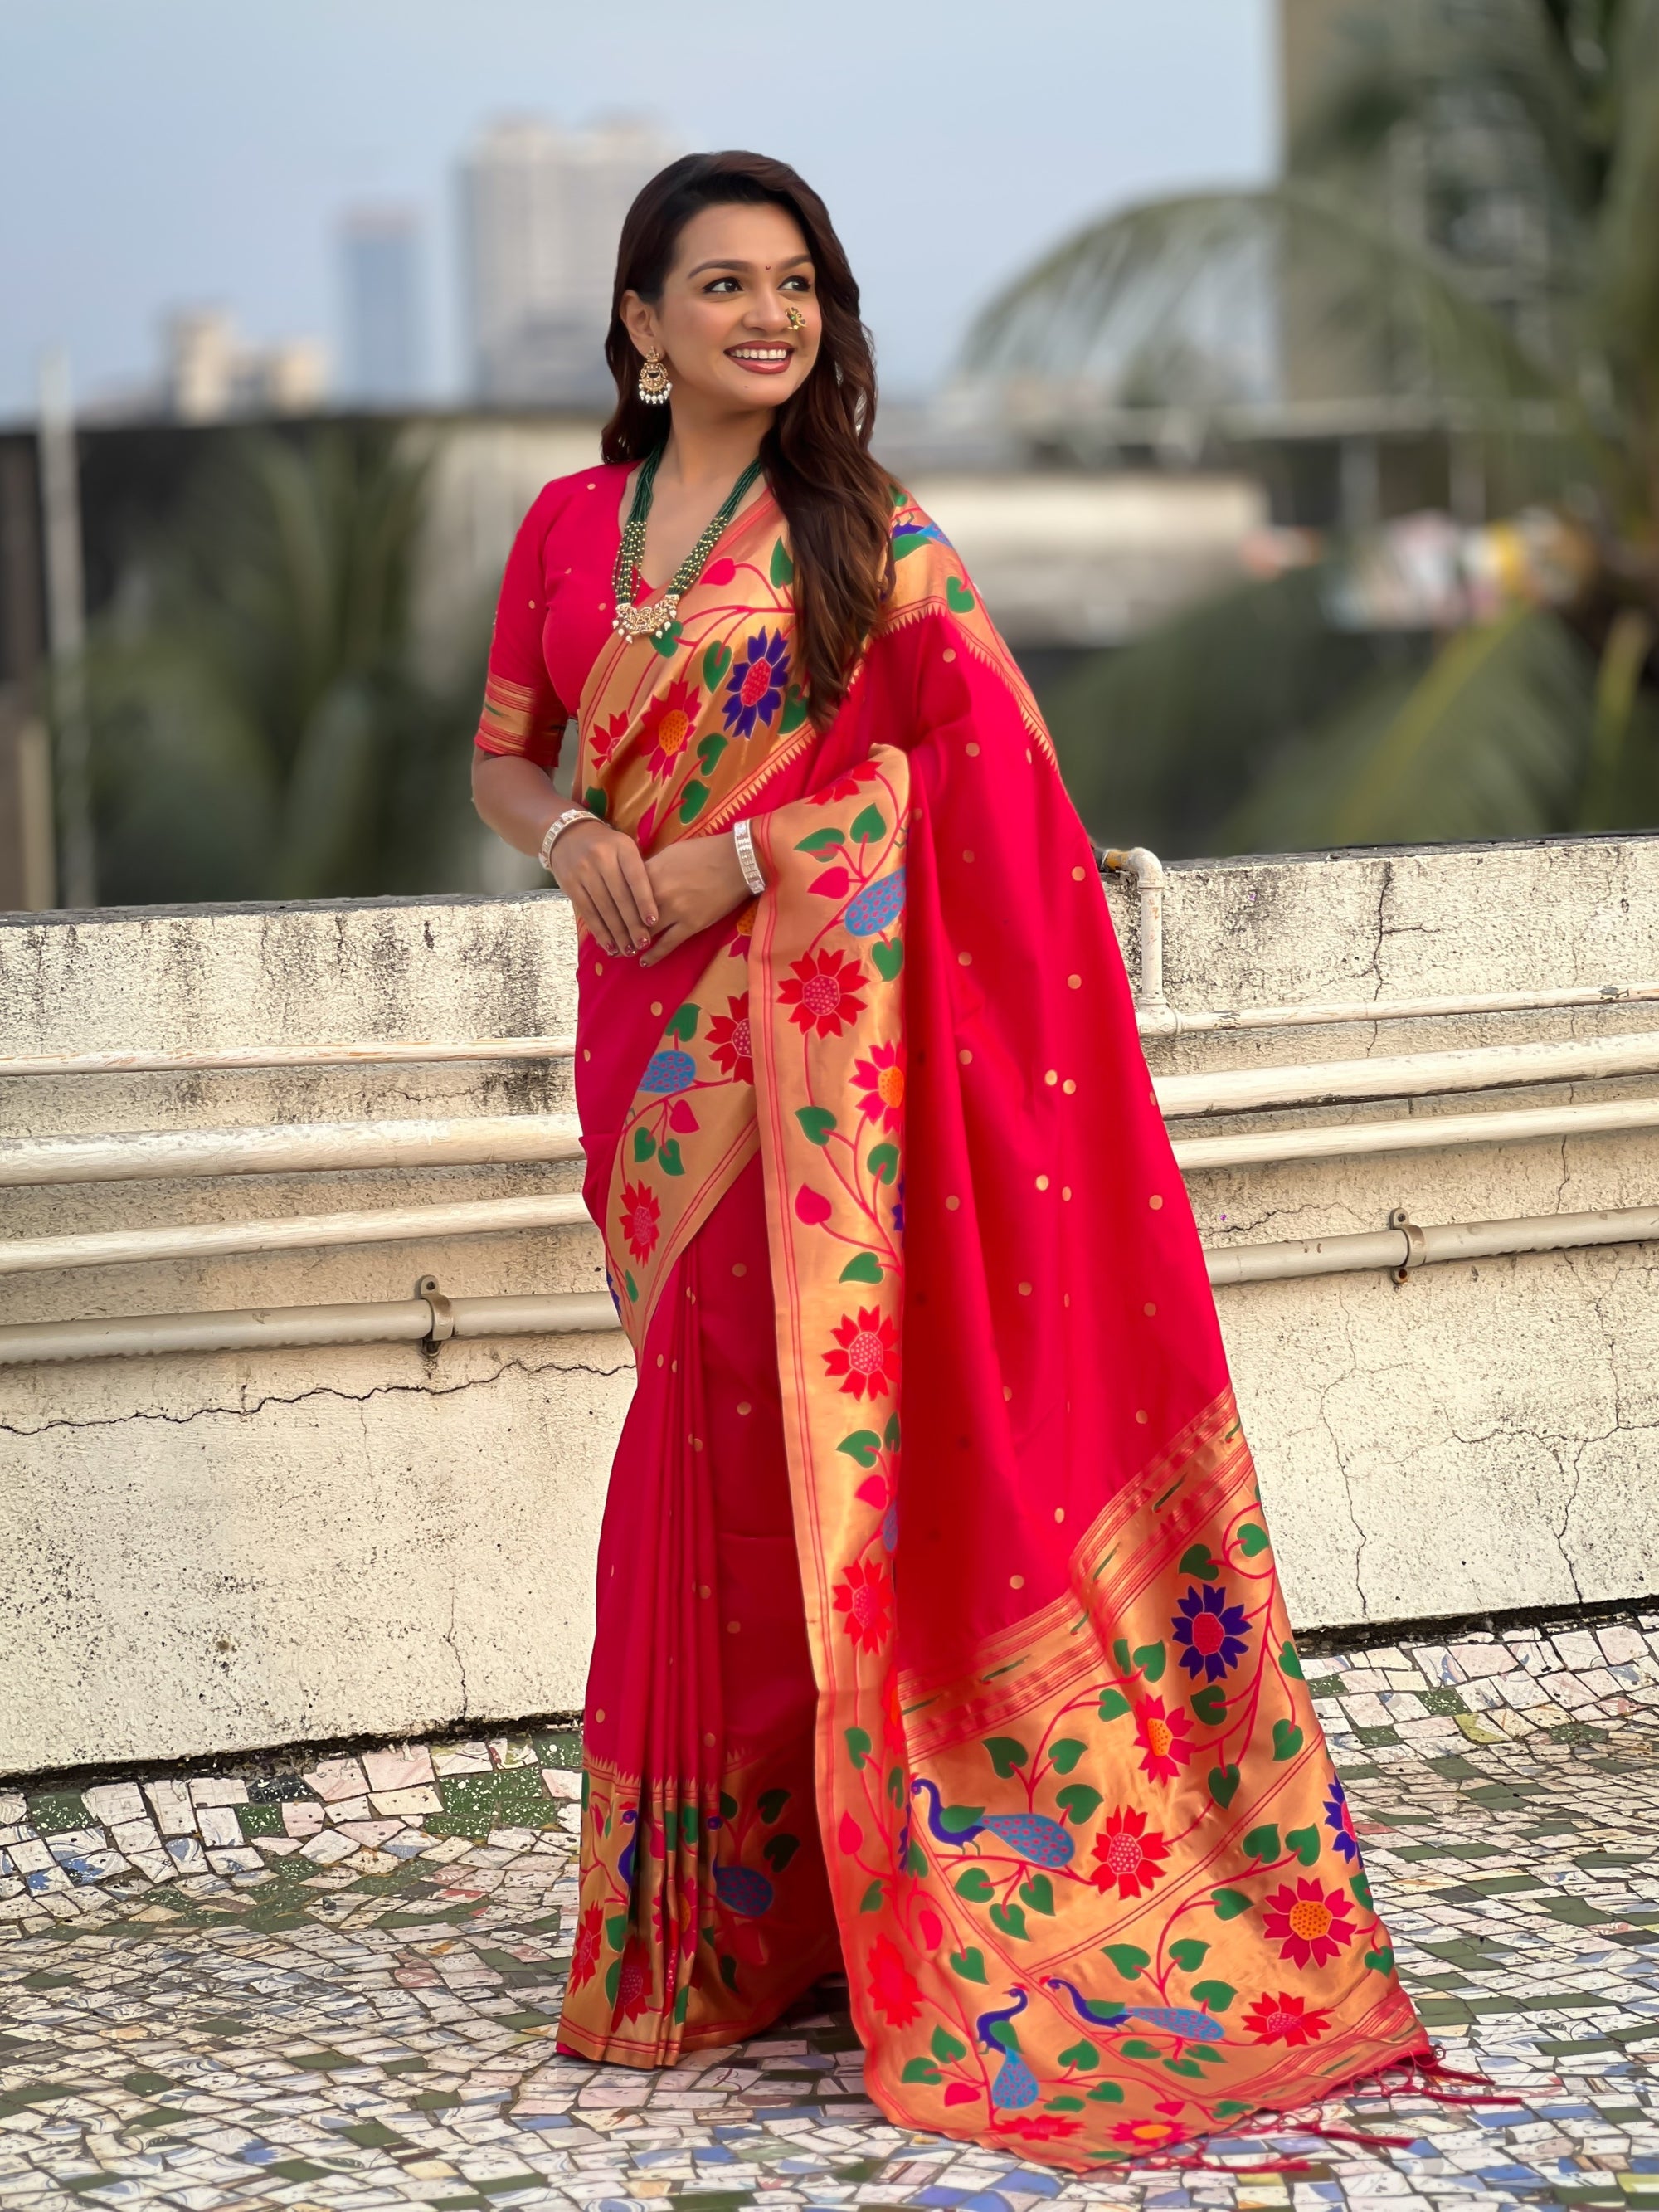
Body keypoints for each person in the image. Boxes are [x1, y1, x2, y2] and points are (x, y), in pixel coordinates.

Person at [471, 149, 1428, 2174]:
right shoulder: (563, 528)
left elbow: (958, 787)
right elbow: (508, 749)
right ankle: (726, 1928)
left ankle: (813, 1912)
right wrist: (575, 845)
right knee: (702, 1435)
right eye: (719, 283)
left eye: (794, 281)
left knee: (771, 1454)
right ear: (637, 325)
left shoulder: (868, 536)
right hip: (639, 1048)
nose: (765, 313)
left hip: (806, 1045)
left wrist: (742, 857)